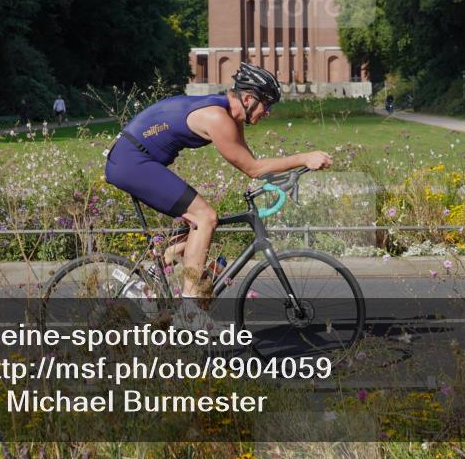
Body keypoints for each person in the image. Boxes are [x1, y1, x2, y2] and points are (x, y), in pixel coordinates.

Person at [104, 63, 332, 325]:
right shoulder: (218, 118)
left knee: (198, 223)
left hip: (133, 158)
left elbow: (250, 163)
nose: (268, 112)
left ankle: (151, 277)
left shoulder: (230, 115)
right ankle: (189, 310)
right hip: (132, 162)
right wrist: (304, 158)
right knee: (205, 217)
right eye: (267, 104)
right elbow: (253, 168)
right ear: (248, 99)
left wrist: (287, 176)